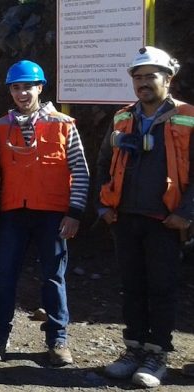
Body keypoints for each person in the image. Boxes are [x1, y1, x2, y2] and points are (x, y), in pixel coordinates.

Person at [0, 60, 89, 367]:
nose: (21, 93)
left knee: (53, 279)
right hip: (12, 215)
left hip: (52, 216)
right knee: (5, 277)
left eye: (27, 87)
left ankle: (57, 340)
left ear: (40, 88)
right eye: (16, 87)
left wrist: (75, 213)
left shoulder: (63, 125)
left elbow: (79, 171)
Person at [97, 46, 190, 388]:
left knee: (161, 288)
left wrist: (185, 214)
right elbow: (104, 162)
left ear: (168, 78)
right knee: (132, 287)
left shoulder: (187, 117)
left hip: (165, 221)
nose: (143, 83)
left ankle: (157, 354)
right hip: (126, 218)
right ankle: (134, 349)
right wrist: (103, 206)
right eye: (138, 77)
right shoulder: (123, 117)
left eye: (150, 76)